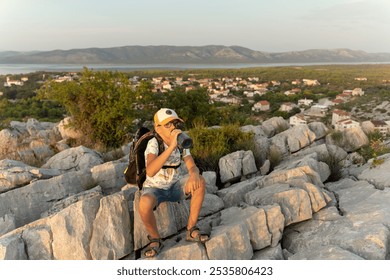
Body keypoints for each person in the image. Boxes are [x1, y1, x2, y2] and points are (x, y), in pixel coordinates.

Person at [138, 108, 209, 258]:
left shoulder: (181, 141)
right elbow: (150, 171)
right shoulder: (154, 143)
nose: (173, 128)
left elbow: (191, 165)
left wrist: (194, 174)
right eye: (168, 125)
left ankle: (191, 229)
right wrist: (171, 147)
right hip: (155, 189)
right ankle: (155, 239)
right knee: (144, 203)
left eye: (175, 123)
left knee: (200, 182)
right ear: (158, 128)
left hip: (174, 186)